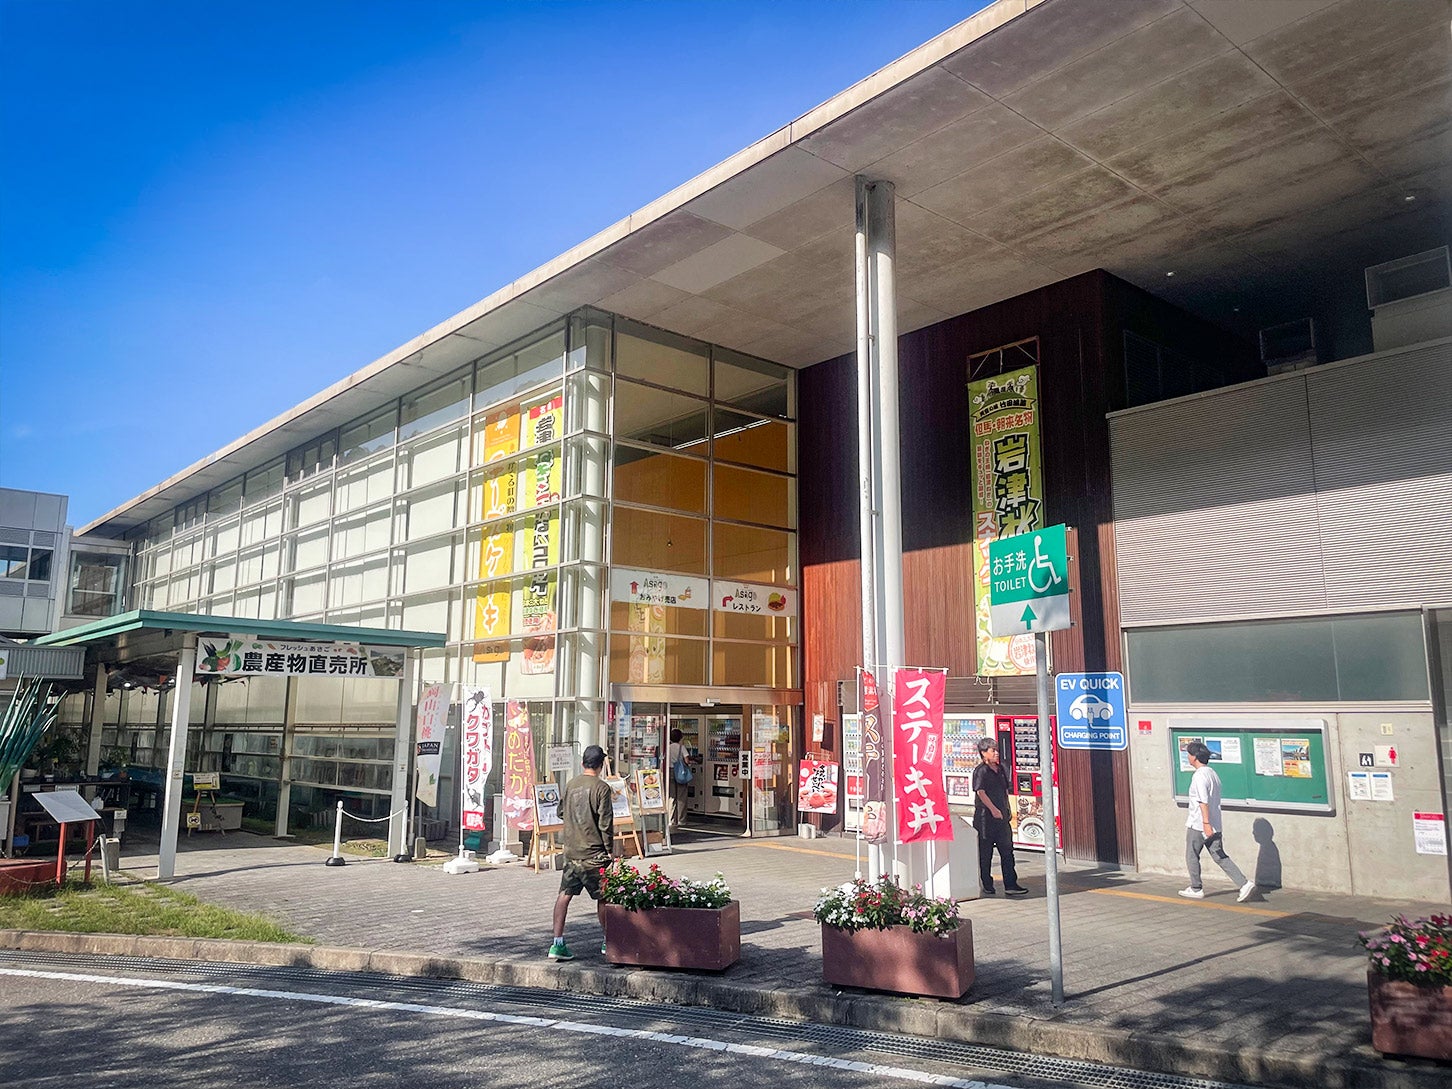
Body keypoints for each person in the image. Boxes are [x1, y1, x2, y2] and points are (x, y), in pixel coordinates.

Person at [549, 743, 614, 960]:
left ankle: (557, 943)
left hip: (571, 851)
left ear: (583, 762)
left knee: (564, 895)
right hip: (594, 854)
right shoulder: (601, 788)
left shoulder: (571, 784)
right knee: (604, 897)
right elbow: (605, 823)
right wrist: (610, 851)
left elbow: (560, 811)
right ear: (602, 763)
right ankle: (608, 941)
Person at [1180, 741, 1255, 902]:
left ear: (1194, 757)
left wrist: (1205, 824)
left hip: (1199, 824)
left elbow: (1202, 801)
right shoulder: (1212, 773)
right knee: (1219, 855)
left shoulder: (1199, 776)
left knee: (1191, 855)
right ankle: (1244, 883)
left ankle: (1196, 888)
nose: (1188, 757)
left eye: (1189, 754)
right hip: (1215, 823)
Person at [972, 737, 1028, 896]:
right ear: (984, 753)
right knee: (985, 853)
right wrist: (993, 809)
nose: (996, 753)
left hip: (1002, 817)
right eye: (992, 750)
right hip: (985, 818)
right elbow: (980, 792)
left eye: (997, 750)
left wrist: (1007, 807)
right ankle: (987, 884)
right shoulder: (981, 771)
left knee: (1007, 850)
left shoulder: (1001, 769)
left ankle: (1011, 884)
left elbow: (1005, 789)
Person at [665, 728, 691, 829]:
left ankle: (671, 820)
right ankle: (681, 820)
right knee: (681, 797)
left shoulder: (668, 747)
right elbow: (687, 760)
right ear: (680, 737)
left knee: (671, 797)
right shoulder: (682, 747)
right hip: (680, 772)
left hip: (670, 771)